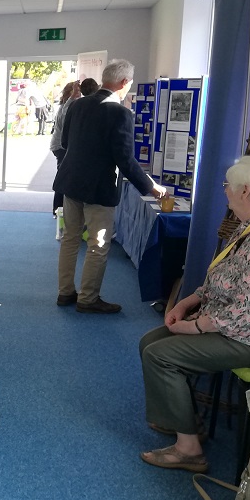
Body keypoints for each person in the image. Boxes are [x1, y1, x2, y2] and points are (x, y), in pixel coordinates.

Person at [138, 156, 250, 473]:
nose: (225, 191)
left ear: (246, 191)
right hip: (229, 326)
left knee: (161, 356)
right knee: (149, 342)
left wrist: (193, 326)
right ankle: (187, 423)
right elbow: (221, 280)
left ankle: (189, 451)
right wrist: (187, 303)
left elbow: (246, 314)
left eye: (228, 186)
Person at [54, 59, 167, 314]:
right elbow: (125, 159)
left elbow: (64, 141)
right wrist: (151, 187)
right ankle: (88, 298)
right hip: (99, 188)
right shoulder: (121, 113)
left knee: (70, 239)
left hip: (70, 181)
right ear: (124, 83)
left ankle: (65, 292)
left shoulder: (77, 105)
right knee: (98, 243)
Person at [49, 81, 82, 214]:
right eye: (76, 92)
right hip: (61, 147)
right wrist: (73, 97)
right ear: (70, 93)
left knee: (64, 176)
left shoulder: (69, 105)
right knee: (63, 177)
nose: (79, 94)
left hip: (62, 146)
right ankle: (58, 209)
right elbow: (64, 117)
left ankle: (59, 208)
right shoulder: (67, 106)